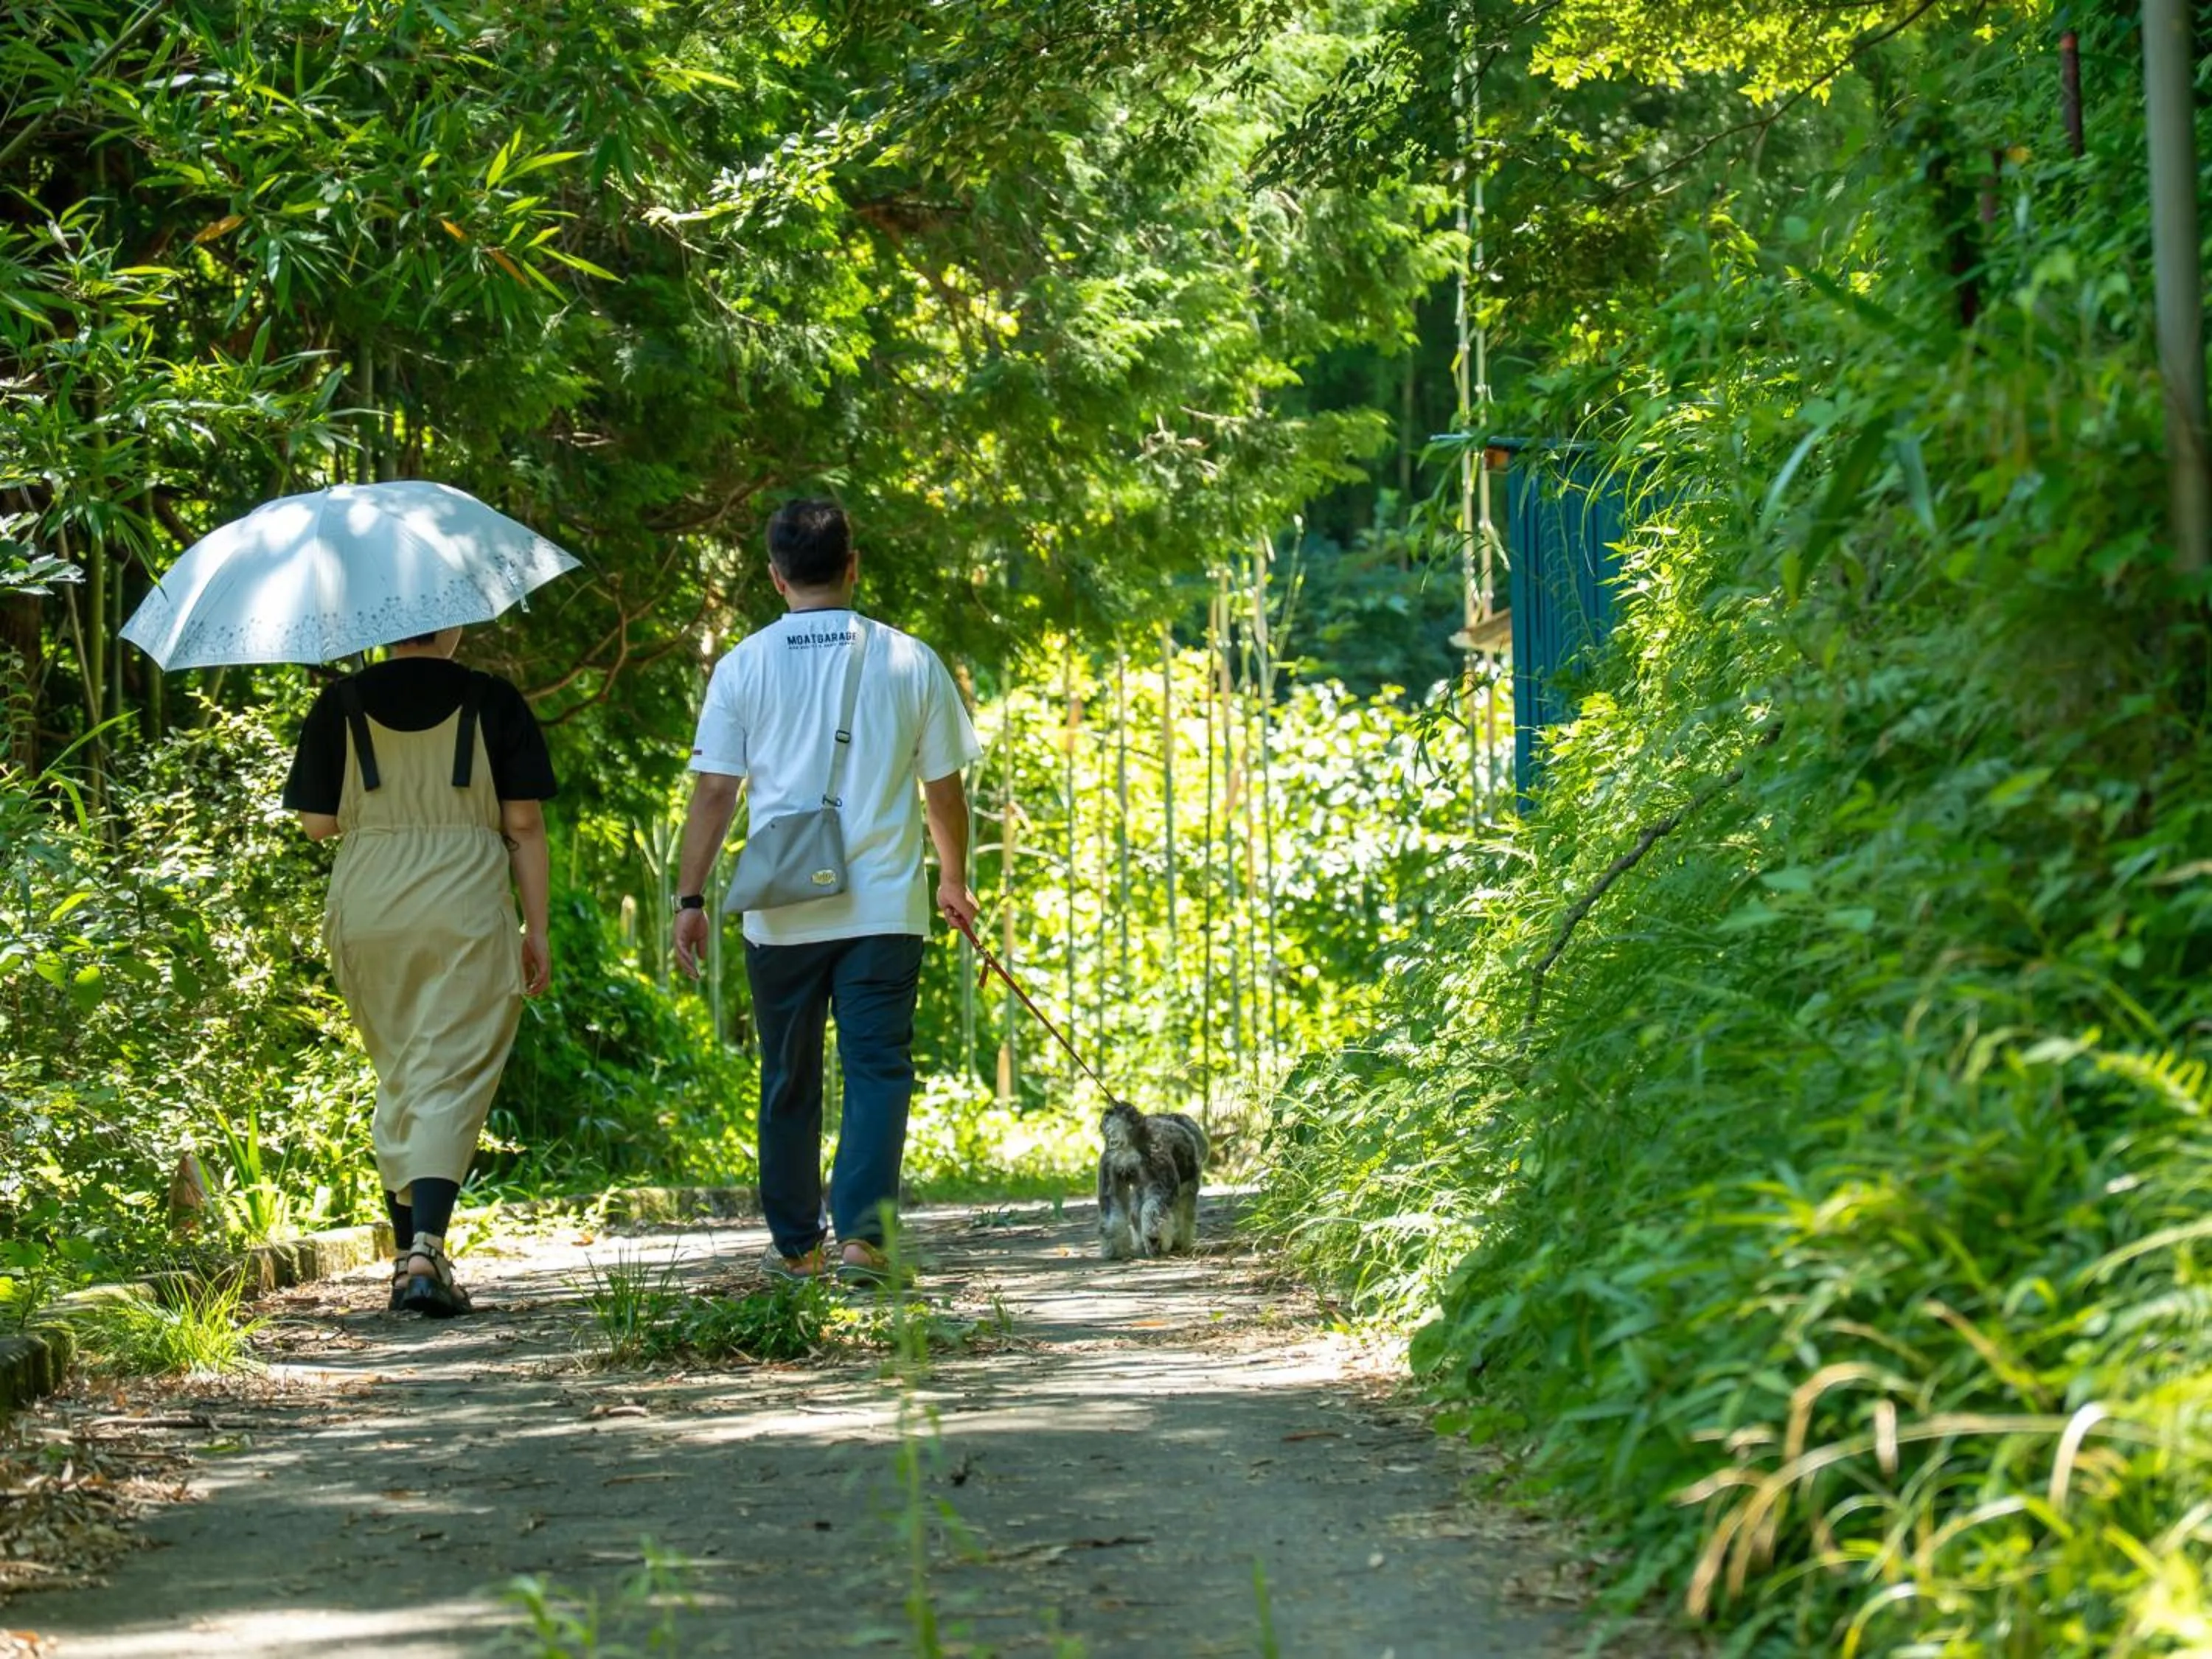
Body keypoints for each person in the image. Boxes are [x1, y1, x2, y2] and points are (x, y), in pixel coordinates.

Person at [673, 498, 981, 1285]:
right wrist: (953, 877)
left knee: (788, 1073)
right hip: (883, 907)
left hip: (782, 908)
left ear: (776, 576)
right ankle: (864, 1242)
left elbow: (715, 793)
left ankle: (795, 1246)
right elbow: (943, 790)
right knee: (878, 1068)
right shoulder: (911, 660)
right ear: (854, 564)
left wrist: (691, 898)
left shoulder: (745, 664)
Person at [282, 625, 556, 1316]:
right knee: (450, 1069)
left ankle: (411, 1259)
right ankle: (428, 1247)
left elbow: (317, 824)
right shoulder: (492, 701)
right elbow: (522, 823)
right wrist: (538, 928)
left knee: (404, 1068)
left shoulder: (338, 703)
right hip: (463, 896)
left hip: (369, 900)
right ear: (454, 622)